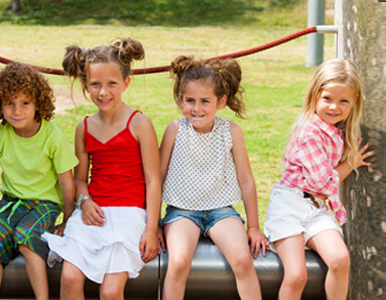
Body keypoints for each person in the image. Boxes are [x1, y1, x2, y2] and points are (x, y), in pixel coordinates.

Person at [43, 38, 163, 300]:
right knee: (70, 279)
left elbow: (153, 180)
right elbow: (80, 180)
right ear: (86, 87)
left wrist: (151, 229)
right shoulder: (83, 128)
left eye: (111, 84)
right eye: (95, 84)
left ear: (126, 83)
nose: (103, 92)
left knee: (110, 292)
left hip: (130, 215)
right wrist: (84, 203)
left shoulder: (140, 123)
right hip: (93, 213)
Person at [264, 58, 374, 300]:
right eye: (327, 99)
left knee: (339, 259)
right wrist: (350, 164)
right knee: (296, 275)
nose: (334, 107)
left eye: (343, 101)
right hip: (290, 206)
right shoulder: (310, 132)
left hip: (316, 209)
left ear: (354, 101)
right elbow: (321, 184)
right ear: (315, 95)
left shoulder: (338, 130)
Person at [159, 56, 267, 300]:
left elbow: (246, 180)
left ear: (221, 102)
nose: (196, 109)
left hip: (221, 210)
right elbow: (158, 176)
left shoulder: (231, 131)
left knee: (242, 259)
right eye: (190, 101)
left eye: (205, 101)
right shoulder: (174, 130)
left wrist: (253, 226)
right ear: (180, 100)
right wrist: (153, 222)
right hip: (181, 211)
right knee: (177, 262)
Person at [0, 62, 78, 300]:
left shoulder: (52, 136)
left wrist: (68, 221)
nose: (16, 111)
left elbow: (67, 184)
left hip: (44, 204)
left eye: (25, 103)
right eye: (9, 103)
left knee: (26, 236)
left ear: (38, 105)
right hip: (11, 202)